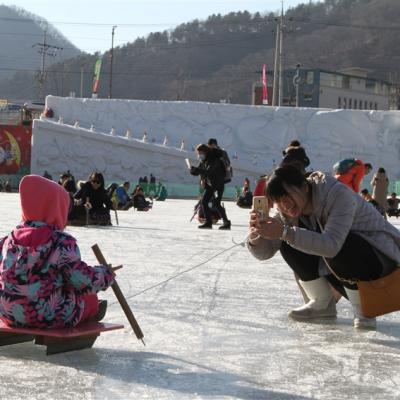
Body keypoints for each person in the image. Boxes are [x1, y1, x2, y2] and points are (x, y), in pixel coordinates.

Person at [248, 165, 400, 329]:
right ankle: (321, 304)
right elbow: (265, 252)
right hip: (347, 274)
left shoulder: (337, 195)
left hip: (386, 271)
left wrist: (285, 232)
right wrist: (256, 235)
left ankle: (364, 311)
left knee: (340, 243)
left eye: (287, 195)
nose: (284, 204)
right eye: (278, 200)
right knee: (287, 239)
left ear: (304, 187)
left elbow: (332, 246)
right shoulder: (288, 212)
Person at [0, 175, 115, 328]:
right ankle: (91, 311)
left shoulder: (7, 240)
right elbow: (81, 281)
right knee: (89, 299)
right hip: (48, 315)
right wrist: (105, 274)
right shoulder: (61, 242)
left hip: (7, 312)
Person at [190, 144, 231, 230]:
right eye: (198, 153)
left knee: (216, 203)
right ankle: (208, 222)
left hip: (218, 185)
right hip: (210, 185)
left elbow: (208, 171)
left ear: (205, 152)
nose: (199, 155)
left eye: (201, 153)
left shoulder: (214, 160)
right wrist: (193, 171)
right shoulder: (203, 161)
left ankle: (226, 222)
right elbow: (200, 170)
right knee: (204, 202)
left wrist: (197, 170)